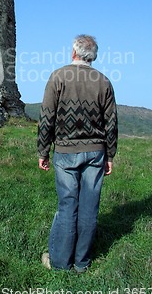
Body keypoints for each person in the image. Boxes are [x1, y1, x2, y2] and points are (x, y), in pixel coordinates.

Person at [37, 34, 118, 273]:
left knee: (67, 206)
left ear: (73, 52)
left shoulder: (58, 76)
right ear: (92, 57)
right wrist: (110, 155)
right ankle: (82, 263)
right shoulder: (104, 82)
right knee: (89, 207)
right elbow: (111, 123)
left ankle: (61, 263)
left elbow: (46, 117)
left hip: (65, 151)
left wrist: (43, 151)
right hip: (96, 153)